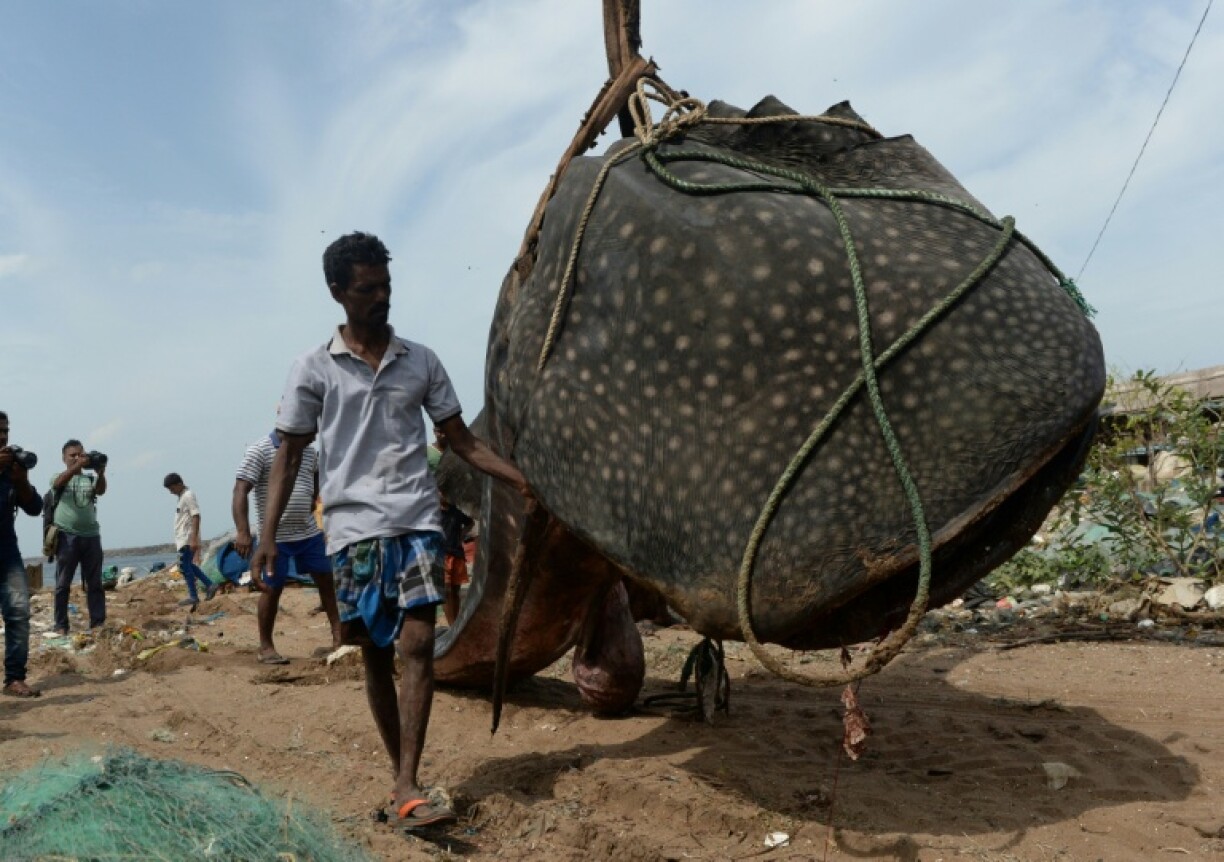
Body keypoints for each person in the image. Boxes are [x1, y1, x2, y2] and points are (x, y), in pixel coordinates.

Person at [252, 231, 531, 829]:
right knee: (377, 657)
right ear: (338, 293)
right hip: (352, 530)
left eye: (386, 286)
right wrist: (267, 533)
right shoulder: (312, 368)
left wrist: (521, 481)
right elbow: (289, 456)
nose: (381, 298)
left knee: (417, 645)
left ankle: (408, 784)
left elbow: (462, 442)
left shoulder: (421, 361)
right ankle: (399, 775)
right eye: (366, 289)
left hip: (416, 521)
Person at [232, 429, 341, 664]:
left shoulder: (310, 453)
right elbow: (240, 489)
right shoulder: (259, 450)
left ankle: (338, 638)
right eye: (310, 429)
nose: (314, 435)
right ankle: (266, 646)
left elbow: (315, 480)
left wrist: (311, 500)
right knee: (272, 588)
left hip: (308, 530)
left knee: (326, 580)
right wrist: (243, 532)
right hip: (275, 535)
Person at [0, 412, 43, 697]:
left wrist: (21, 481)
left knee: (18, 613)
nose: (3, 437)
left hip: (7, 551)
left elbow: (35, 507)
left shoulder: (11, 469)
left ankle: (15, 678)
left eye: (6, 431)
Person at [50, 439, 107, 635]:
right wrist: (76, 468)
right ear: (64, 458)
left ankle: (98, 623)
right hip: (67, 536)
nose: (76, 458)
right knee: (62, 583)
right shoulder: (59, 477)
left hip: (91, 535)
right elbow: (57, 484)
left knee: (95, 583)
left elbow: (101, 490)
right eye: (72, 455)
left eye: (79, 454)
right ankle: (60, 625)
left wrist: (101, 473)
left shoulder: (88, 479)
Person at [162, 473, 216, 608]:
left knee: (184, 567)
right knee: (187, 566)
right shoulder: (181, 497)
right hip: (182, 538)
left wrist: (193, 539)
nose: (171, 492)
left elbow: (196, 516)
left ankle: (194, 595)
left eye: (172, 488)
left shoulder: (188, 495)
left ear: (179, 484)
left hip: (187, 538)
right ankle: (210, 585)